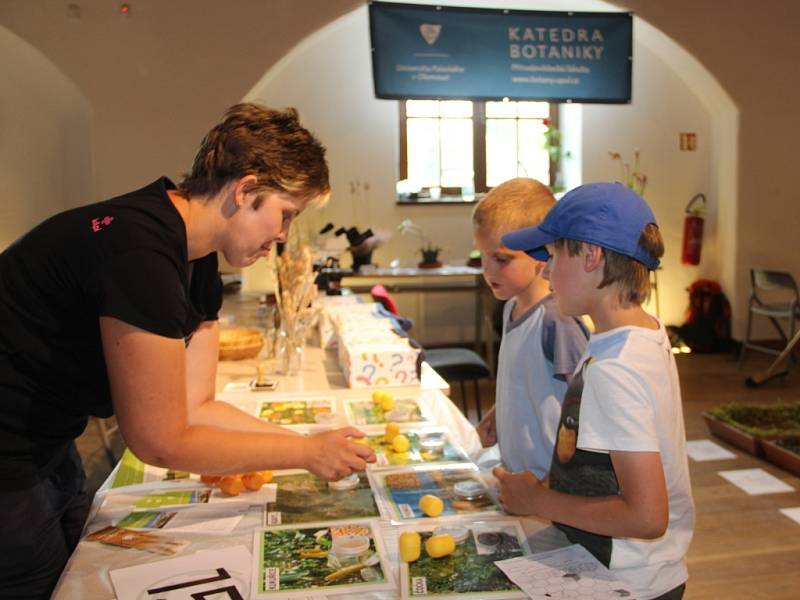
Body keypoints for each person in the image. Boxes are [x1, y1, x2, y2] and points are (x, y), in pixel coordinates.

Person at [0, 102, 375, 598]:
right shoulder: (140, 251)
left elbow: (200, 404)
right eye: (285, 215)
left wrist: (310, 443)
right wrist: (304, 452)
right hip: (8, 453)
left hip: (48, 440)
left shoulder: (195, 259)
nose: (282, 238)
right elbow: (158, 440)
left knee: (77, 573)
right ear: (245, 191)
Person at [494, 183, 695, 600]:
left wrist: (538, 500)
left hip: (627, 581)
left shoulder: (615, 368)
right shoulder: (641, 336)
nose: (546, 273)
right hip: (638, 572)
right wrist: (548, 485)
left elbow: (646, 517)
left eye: (552, 257)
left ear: (591, 256)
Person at [473, 178, 589, 479]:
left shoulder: (558, 321)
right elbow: (528, 379)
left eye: (501, 259)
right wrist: (501, 411)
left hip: (550, 482)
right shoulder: (511, 307)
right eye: (483, 256)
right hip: (520, 478)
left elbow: (587, 406)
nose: (488, 270)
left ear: (541, 257)